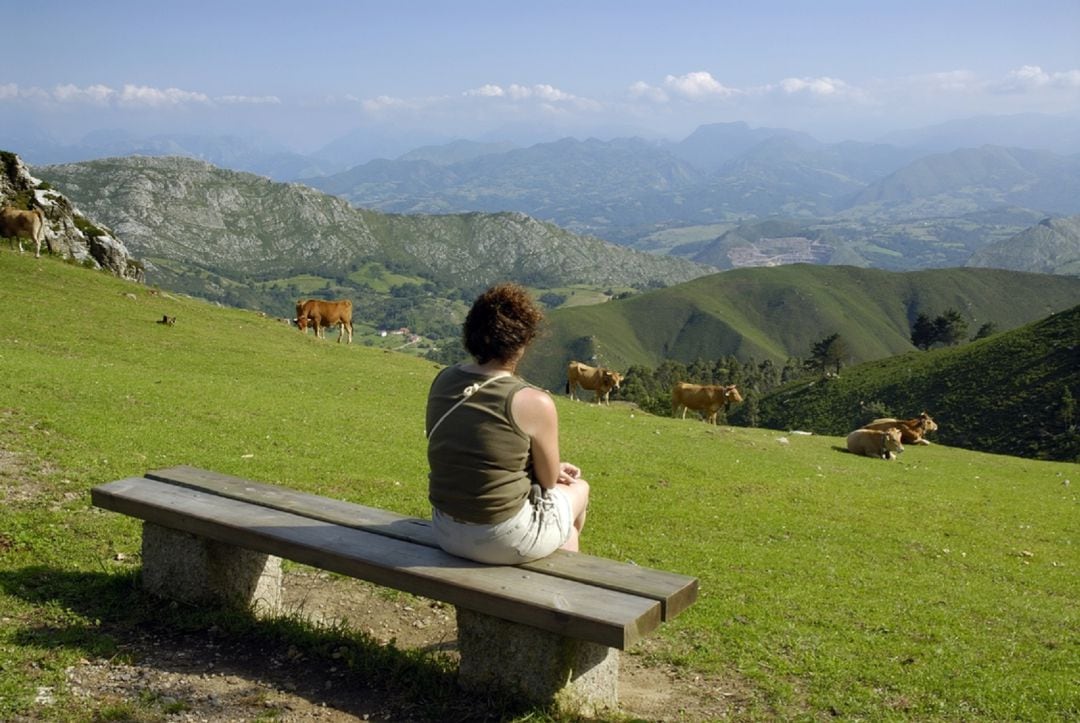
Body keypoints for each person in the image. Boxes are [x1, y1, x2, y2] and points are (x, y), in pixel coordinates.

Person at [426, 283, 590, 564]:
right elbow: (549, 481)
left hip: (445, 529)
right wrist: (551, 467)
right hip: (501, 538)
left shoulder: (444, 379)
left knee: (561, 530)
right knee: (579, 490)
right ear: (523, 343)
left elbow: (472, 449)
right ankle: (564, 591)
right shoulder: (534, 401)